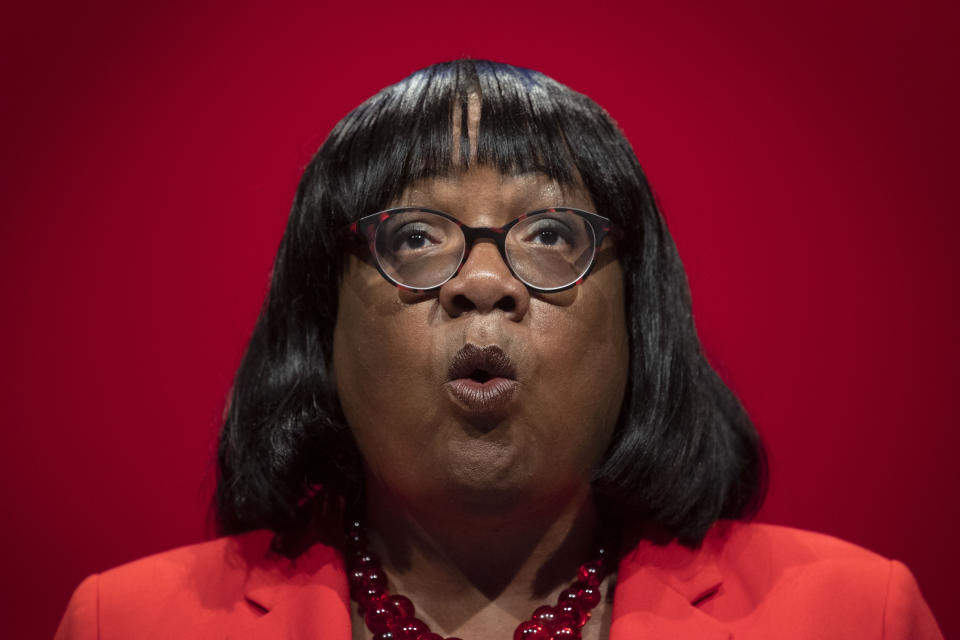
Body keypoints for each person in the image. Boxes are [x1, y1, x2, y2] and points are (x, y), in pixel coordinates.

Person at [55, 59, 942, 640]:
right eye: (413, 239)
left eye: (552, 233)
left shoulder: (858, 614)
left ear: (640, 319)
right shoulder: (124, 622)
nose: (484, 283)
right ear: (320, 316)